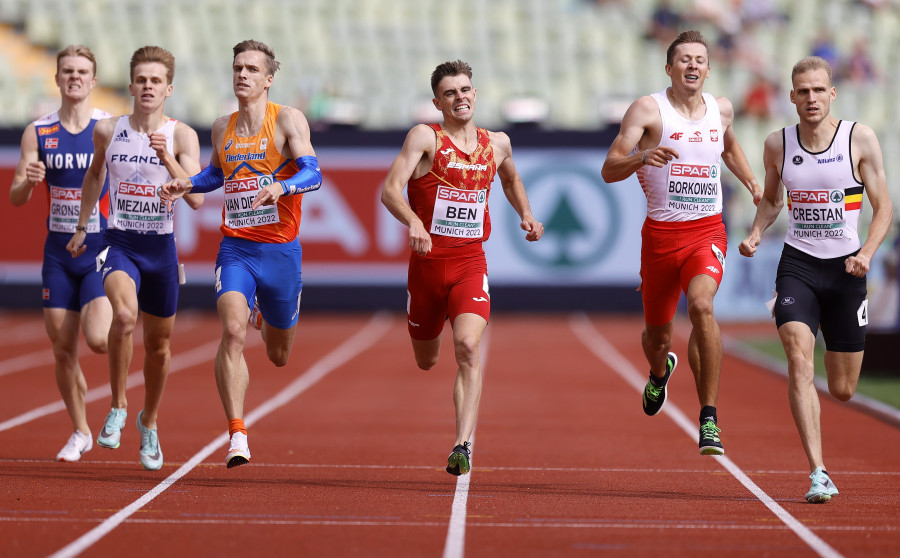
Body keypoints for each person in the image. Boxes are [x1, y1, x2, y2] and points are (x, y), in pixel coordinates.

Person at [158, 40, 322, 468]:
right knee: (232, 330)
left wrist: (282, 186)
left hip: (281, 252)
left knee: (278, 355)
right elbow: (216, 173)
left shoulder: (286, 119)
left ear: (269, 79)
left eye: (252, 69)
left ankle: (268, 316)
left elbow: (313, 172)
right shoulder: (221, 127)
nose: (242, 75)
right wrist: (187, 184)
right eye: (237, 68)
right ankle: (237, 434)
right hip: (236, 249)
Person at [739, 56, 893, 502]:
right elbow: (772, 200)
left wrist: (866, 253)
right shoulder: (777, 145)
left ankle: (832, 334)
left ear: (832, 94)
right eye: (802, 91)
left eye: (818, 90)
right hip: (798, 266)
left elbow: (883, 207)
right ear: (791, 97)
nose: (811, 98)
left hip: (848, 270)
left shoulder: (858, 138)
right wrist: (754, 233)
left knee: (842, 389)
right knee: (798, 359)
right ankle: (818, 472)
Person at [601, 30, 762, 456]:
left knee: (703, 305)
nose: (692, 66)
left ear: (709, 69)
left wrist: (751, 183)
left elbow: (728, 146)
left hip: (706, 232)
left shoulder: (721, 109)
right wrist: (641, 156)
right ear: (669, 67)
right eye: (684, 59)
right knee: (656, 337)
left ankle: (708, 418)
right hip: (659, 238)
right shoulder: (648, 110)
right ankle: (659, 373)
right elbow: (609, 168)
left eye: (700, 60)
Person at [380, 60, 544, 476]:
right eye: (450, 92)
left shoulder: (498, 143)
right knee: (427, 360)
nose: (460, 97)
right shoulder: (425, 138)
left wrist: (526, 213)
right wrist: (415, 222)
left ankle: (462, 444)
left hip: (470, 263)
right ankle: (422, 329)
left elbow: (510, 180)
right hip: (426, 269)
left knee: (468, 347)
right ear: (438, 101)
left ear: (475, 94)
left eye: (466, 89)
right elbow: (389, 190)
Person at [67, 46, 203, 471]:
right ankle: (119, 406)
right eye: (141, 80)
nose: (148, 87)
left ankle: (150, 421)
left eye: (155, 81)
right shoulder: (108, 130)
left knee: (159, 347)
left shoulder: (182, 136)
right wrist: (83, 225)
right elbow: (94, 176)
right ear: (130, 86)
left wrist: (166, 158)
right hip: (119, 242)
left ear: (168, 89)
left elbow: (197, 198)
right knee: (124, 317)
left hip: (161, 251)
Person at [8, 45, 113, 463]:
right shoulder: (38, 132)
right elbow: (16, 197)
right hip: (57, 253)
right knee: (62, 348)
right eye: (67, 70)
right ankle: (80, 430)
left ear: (93, 79)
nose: (74, 77)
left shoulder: (110, 127)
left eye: (82, 71)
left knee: (100, 340)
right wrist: (28, 182)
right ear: (56, 79)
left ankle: (128, 297)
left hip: (99, 248)